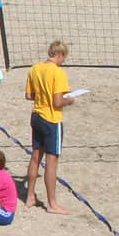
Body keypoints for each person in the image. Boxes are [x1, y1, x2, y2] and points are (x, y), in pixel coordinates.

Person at [22, 39, 76, 215]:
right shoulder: (58, 73)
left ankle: (30, 196)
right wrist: (70, 100)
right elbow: (58, 101)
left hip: (36, 115)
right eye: (63, 58)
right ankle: (52, 204)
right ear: (60, 55)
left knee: (35, 157)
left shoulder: (35, 69)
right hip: (52, 119)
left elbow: (29, 95)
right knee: (51, 162)